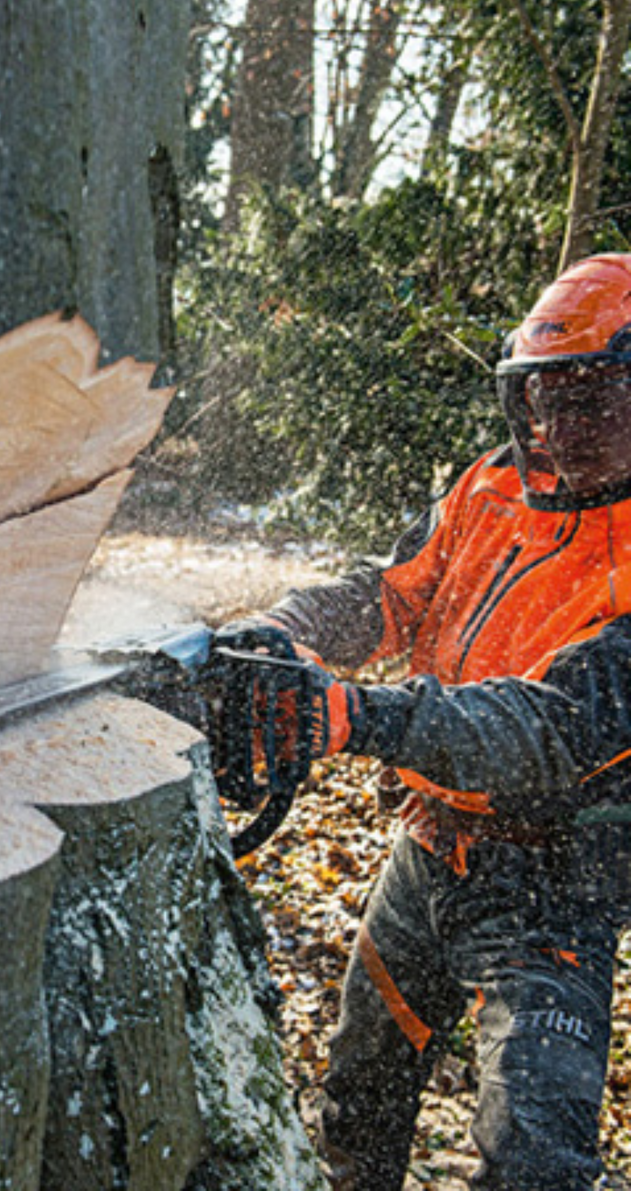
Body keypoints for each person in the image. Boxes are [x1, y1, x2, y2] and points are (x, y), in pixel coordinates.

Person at [216, 253, 631, 1190]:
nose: (561, 425)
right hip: (430, 850)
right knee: (360, 1080)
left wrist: (354, 717)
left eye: (592, 400)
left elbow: (547, 731)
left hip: (552, 886)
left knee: (535, 1153)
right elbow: (390, 596)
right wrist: (285, 632)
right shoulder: (491, 490)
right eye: (545, 398)